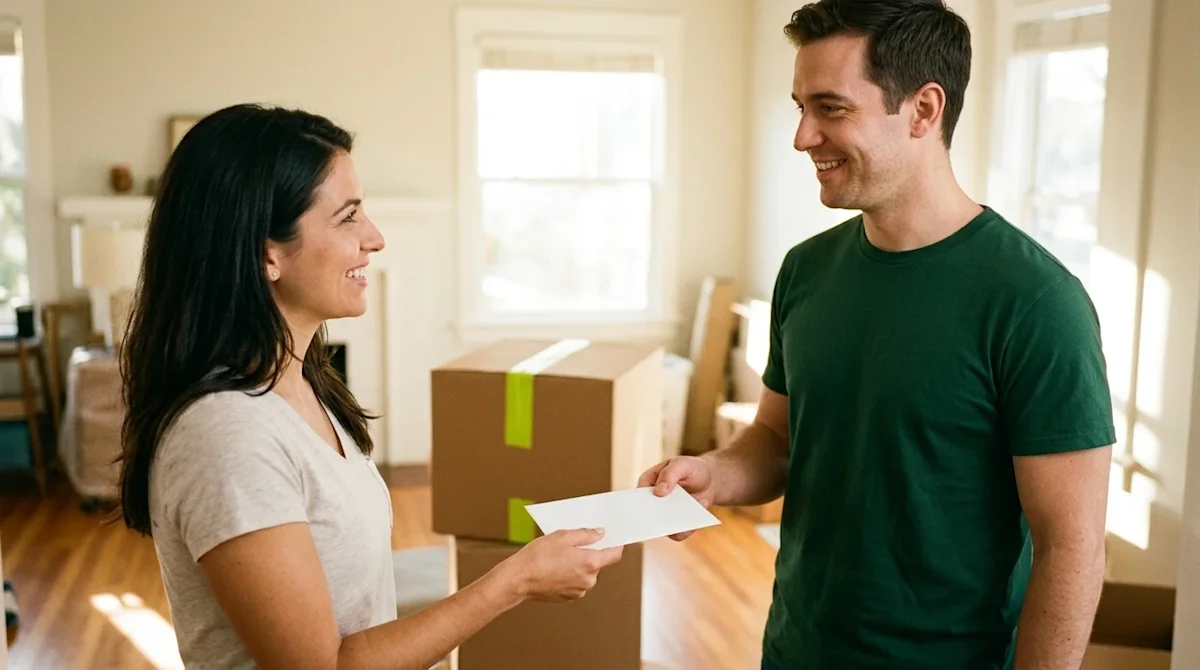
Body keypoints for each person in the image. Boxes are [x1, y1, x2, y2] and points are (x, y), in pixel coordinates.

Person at [640, 1, 1115, 668]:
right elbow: (777, 439)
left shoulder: (1035, 303)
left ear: (923, 110)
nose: (802, 137)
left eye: (831, 109)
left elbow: (1073, 548)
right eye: (801, 107)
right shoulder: (806, 271)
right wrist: (714, 473)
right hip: (794, 651)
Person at [118, 103, 624, 670]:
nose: (375, 238)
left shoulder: (301, 386)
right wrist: (515, 580)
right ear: (267, 253)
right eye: (348, 218)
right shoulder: (228, 436)